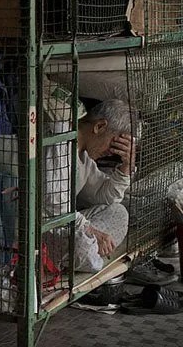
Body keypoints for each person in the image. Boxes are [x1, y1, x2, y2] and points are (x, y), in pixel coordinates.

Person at [45, 98, 138, 272]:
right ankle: (82, 256)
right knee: (81, 245)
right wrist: (90, 230)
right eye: (112, 144)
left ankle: (85, 255)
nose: (111, 153)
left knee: (119, 213)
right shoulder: (62, 138)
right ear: (99, 126)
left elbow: (105, 197)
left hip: (64, 227)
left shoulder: (84, 155)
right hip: (41, 229)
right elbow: (54, 204)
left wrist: (126, 166)